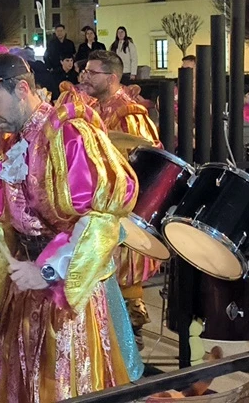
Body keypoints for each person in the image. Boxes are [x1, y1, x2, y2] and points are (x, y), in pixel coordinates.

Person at [0, 53, 139, 402]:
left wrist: (46, 271)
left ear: (23, 89)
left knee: (61, 385)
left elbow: (101, 220)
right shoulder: (12, 143)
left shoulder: (70, 134)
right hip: (24, 289)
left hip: (66, 296)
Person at [81, 49, 160, 350]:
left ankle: (128, 337)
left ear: (112, 78)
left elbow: (148, 161)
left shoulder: (131, 114)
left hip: (121, 207)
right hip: (92, 204)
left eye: (92, 72)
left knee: (123, 272)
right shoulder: (90, 108)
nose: (85, 77)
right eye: (85, 71)